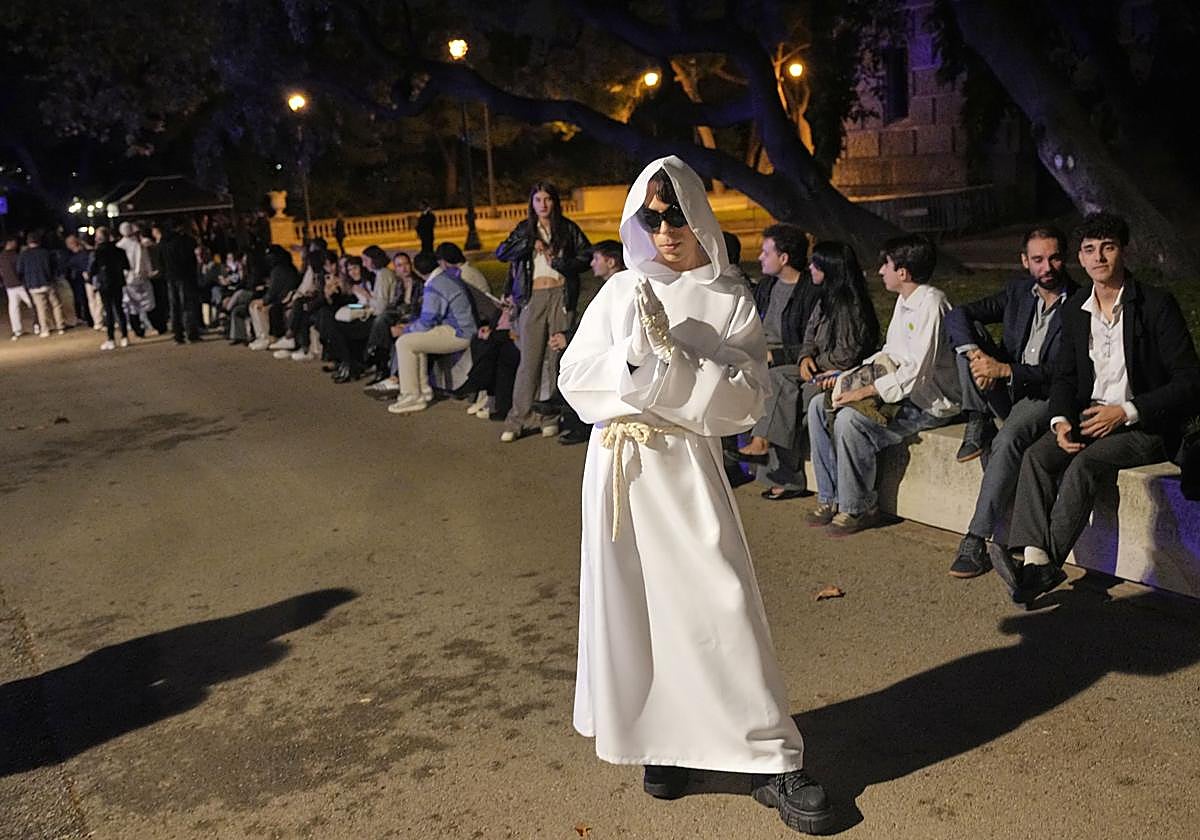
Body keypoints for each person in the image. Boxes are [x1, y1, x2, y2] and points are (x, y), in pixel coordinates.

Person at [558, 156, 835, 836]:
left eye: (676, 215)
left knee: (719, 600)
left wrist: (673, 364)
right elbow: (573, 376)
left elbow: (747, 399)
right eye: (652, 218)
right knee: (637, 606)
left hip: (683, 469)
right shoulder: (621, 290)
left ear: (697, 215)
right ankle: (662, 742)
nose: (665, 231)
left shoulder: (728, 295)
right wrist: (631, 362)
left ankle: (770, 755)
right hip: (620, 470)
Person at [1000, 213, 1200, 603]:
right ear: (1080, 257)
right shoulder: (1077, 307)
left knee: (1085, 465)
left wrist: (1126, 411)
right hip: (1091, 415)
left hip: (1143, 423)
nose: (1099, 257)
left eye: (1108, 247)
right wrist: (1060, 420)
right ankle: (1034, 557)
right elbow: (1065, 376)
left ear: (1123, 251)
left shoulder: (1155, 305)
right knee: (1037, 456)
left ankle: (1044, 567)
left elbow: (1190, 380)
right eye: (1090, 250)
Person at [944, 226, 1077, 578]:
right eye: (1038, 259)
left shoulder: (1080, 302)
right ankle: (978, 417)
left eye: (1054, 258)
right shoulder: (1019, 291)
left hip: (1045, 395)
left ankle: (975, 539)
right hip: (1006, 388)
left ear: (1065, 258)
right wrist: (977, 357)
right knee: (967, 343)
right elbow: (957, 314)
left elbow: (1063, 371)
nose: (1046, 267)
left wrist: (1005, 370)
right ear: (1024, 261)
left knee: (1006, 441)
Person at [806, 234, 961, 535]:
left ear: (903, 272)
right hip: (899, 391)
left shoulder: (932, 304)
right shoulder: (905, 301)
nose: (880, 271)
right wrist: (848, 377)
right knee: (817, 406)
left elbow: (917, 372)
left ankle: (859, 506)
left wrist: (865, 390)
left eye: (886, 265)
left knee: (850, 421)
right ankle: (829, 497)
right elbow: (891, 353)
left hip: (927, 401)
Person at [743, 241, 880, 500]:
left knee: (788, 394)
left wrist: (815, 362)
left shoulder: (849, 306)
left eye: (816, 265)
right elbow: (810, 336)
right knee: (778, 384)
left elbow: (846, 355)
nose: (810, 268)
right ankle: (769, 454)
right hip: (817, 367)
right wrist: (806, 356)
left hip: (838, 373)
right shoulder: (824, 299)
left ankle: (772, 457)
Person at [496, 182, 592, 442]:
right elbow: (502, 252)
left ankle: (551, 417)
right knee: (529, 361)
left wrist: (559, 262)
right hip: (533, 297)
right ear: (532, 203)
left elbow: (586, 256)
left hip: (561, 294)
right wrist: (529, 243)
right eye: (537, 200)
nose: (543, 205)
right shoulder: (525, 229)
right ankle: (519, 418)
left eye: (547, 199)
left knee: (557, 358)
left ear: (554, 201)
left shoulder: (567, 228)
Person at [387, 251, 477, 415]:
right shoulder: (444, 278)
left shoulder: (435, 285)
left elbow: (427, 321)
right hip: (460, 327)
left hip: (459, 332)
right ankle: (423, 390)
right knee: (414, 340)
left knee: (404, 342)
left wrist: (404, 330)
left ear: (417, 270)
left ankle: (411, 396)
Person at [89, 226, 131, 350]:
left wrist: (90, 277)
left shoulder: (97, 252)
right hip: (117, 282)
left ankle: (111, 339)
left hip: (104, 283)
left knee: (108, 311)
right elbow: (126, 266)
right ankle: (124, 337)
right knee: (119, 309)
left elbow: (93, 269)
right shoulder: (119, 250)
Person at [161, 220, 202, 344]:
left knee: (174, 306)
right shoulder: (184, 241)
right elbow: (190, 257)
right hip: (185, 276)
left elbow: (161, 260)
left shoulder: (164, 242)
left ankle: (177, 334)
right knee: (187, 305)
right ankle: (191, 332)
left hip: (170, 276)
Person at [17, 233, 65, 336]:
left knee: (41, 308)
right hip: (47, 282)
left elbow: (20, 270)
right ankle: (60, 326)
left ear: (28, 242)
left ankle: (45, 329)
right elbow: (53, 267)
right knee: (56, 304)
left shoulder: (24, 255)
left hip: (33, 285)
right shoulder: (45, 253)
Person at [118, 222, 156, 337]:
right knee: (145, 303)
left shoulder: (121, 245)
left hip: (130, 278)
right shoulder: (137, 244)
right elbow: (145, 260)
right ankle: (146, 325)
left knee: (133, 305)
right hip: (138, 277)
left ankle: (138, 328)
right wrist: (149, 271)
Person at [2, 236, 37, 339]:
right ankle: (37, 325)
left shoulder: (1, 256)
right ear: (10, 242)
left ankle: (17, 331)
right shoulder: (15, 255)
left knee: (13, 309)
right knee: (33, 304)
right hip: (20, 285)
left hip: (9, 286)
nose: (16, 244)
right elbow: (21, 269)